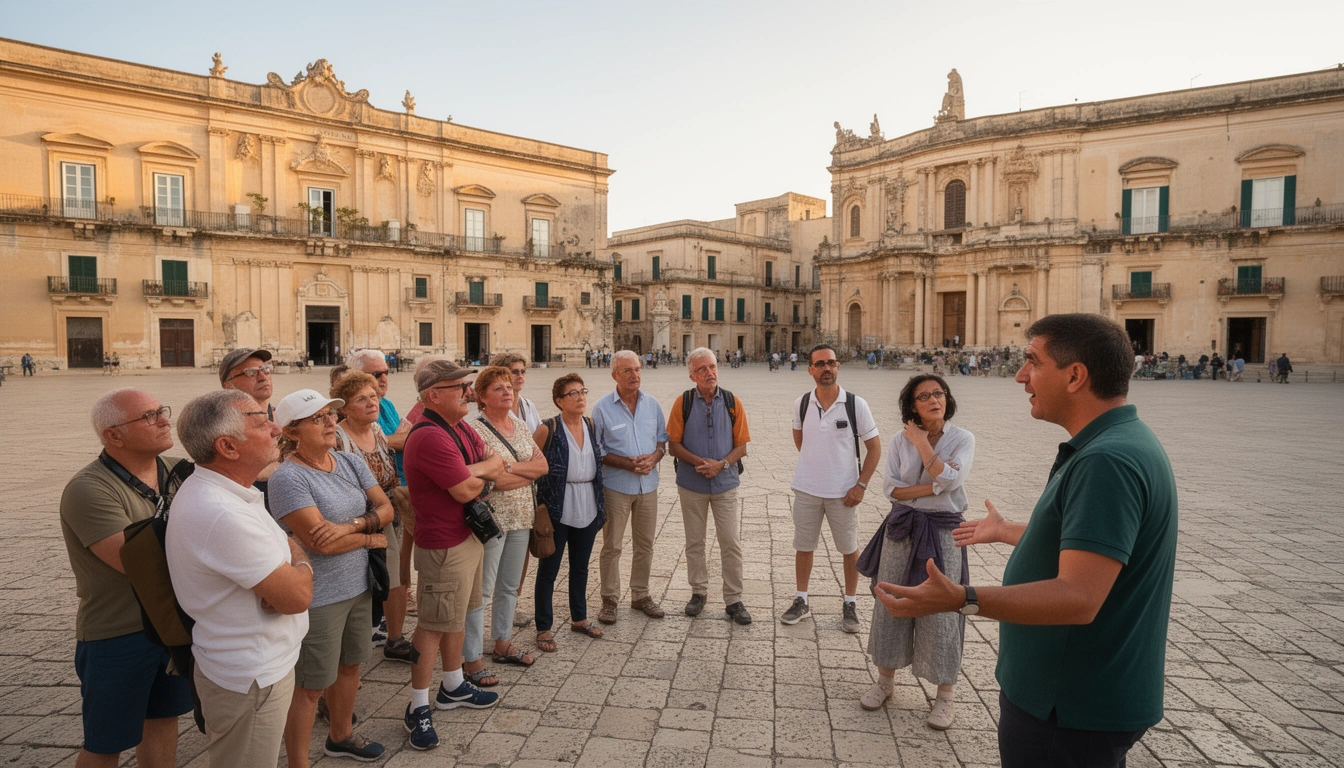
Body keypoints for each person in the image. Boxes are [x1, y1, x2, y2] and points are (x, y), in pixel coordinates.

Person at [874, 313, 1178, 768]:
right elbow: (1088, 547)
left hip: (1070, 705)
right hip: (1070, 696)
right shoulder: (1116, 444)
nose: (1020, 375)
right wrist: (1008, 531)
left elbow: (1078, 597)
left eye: (1032, 361)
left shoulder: (1107, 461)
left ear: (1075, 375)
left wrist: (961, 598)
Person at [166, 390, 313, 768]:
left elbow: (286, 553)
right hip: (251, 676)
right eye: (261, 421)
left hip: (255, 665)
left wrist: (290, 561)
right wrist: (301, 565)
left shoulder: (231, 492)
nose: (276, 428)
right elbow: (296, 597)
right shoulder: (221, 513)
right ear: (228, 446)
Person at [60, 389, 194, 768]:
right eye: (149, 416)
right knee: (106, 742)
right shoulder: (89, 489)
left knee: (164, 720)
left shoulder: (176, 469)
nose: (165, 420)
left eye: (161, 411)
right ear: (113, 435)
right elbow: (137, 563)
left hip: (170, 625)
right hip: (118, 633)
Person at [269, 389, 393, 765]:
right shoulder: (288, 479)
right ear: (291, 431)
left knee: (351, 665)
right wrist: (370, 537)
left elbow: (385, 507)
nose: (330, 423)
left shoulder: (346, 461)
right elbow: (317, 543)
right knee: (310, 685)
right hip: (319, 595)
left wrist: (351, 526)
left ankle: (340, 736)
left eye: (330, 415)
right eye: (317, 418)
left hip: (358, 585)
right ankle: (298, 762)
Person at [857, 375, 974, 730]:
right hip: (902, 529)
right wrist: (934, 484)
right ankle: (885, 682)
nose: (933, 399)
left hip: (943, 533)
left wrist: (923, 443)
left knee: (942, 608)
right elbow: (892, 489)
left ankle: (945, 697)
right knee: (891, 599)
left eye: (938, 393)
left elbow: (953, 481)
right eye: (924, 396)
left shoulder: (962, 439)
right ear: (912, 406)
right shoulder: (896, 440)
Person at [401, 360, 505, 751]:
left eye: (467, 384)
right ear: (434, 395)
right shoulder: (428, 436)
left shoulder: (459, 426)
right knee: (431, 624)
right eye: (460, 386)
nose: (469, 391)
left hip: (467, 537)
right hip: (443, 544)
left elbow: (496, 463)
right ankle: (417, 706)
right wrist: (482, 471)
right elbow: (465, 489)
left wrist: (476, 471)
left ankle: (453, 684)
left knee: (458, 614)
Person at [783, 344, 881, 633]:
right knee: (804, 546)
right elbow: (801, 440)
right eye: (821, 363)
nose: (827, 368)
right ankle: (802, 599)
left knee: (849, 549)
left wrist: (860, 485)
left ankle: (850, 602)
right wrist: (816, 465)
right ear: (811, 369)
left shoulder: (855, 404)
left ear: (838, 367)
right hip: (807, 489)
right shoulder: (802, 403)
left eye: (832, 363)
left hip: (844, 493)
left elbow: (874, 448)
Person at [461, 365, 546, 684]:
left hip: (522, 517)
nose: (508, 391)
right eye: (498, 388)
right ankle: (471, 658)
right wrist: (517, 473)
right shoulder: (474, 430)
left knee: (509, 585)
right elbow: (484, 478)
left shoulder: (521, 426)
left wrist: (508, 468)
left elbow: (543, 466)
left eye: (509, 386)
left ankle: (502, 643)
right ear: (481, 397)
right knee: (481, 592)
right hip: (490, 520)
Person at [330, 371, 415, 664]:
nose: (371, 403)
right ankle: (347, 654)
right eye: (361, 399)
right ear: (343, 407)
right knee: (356, 583)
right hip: (352, 518)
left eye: (373, 397)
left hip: (386, 512)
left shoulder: (378, 431)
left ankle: (394, 637)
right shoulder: (337, 437)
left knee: (394, 577)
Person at [666, 348, 752, 624]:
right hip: (691, 485)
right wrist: (698, 461)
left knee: (730, 541)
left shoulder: (731, 401)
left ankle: (734, 599)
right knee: (695, 541)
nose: (709, 373)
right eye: (702, 369)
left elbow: (742, 446)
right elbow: (673, 445)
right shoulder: (682, 404)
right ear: (692, 375)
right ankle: (698, 591)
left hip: (725, 484)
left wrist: (721, 465)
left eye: (712, 367)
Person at [592, 350, 669, 624]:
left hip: (648, 485)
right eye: (627, 371)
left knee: (645, 544)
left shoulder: (653, 405)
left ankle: (641, 595)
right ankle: (609, 599)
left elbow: (662, 441)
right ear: (614, 375)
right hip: (616, 487)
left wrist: (654, 457)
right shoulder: (602, 408)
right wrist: (626, 463)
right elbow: (597, 449)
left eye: (637, 369)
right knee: (612, 545)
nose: (634, 375)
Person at [532, 374, 607, 651]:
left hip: (587, 501)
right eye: (572, 393)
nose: (580, 397)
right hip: (556, 506)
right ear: (559, 401)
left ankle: (580, 617)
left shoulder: (590, 424)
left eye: (582, 391)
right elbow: (531, 466)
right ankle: (544, 627)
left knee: (581, 566)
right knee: (549, 569)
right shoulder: (547, 428)